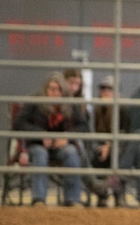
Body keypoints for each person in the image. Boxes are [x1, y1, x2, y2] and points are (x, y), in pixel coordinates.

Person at [12, 72, 86, 206]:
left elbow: (84, 126)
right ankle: (39, 199)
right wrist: (40, 135)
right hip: (37, 145)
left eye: (58, 89)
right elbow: (18, 123)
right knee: (40, 153)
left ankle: (73, 199)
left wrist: (66, 137)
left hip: (61, 146)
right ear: (46, 90)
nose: (55, 93)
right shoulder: (35, 101)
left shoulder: (70, 104)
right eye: (51, 89)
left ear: (63, 91)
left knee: (71, 152)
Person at [90, 74, 128, 207]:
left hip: (121, 144)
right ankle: (102, 194)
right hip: (103, 144)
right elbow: (96, 132)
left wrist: (110, 145)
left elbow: (125, 132)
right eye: (103, 89)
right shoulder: (98, 109)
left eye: (109, 89)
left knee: (116, 155)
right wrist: (103, 145)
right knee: (96, 154)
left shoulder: (123, 108)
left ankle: (119, 194)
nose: (105, 92)